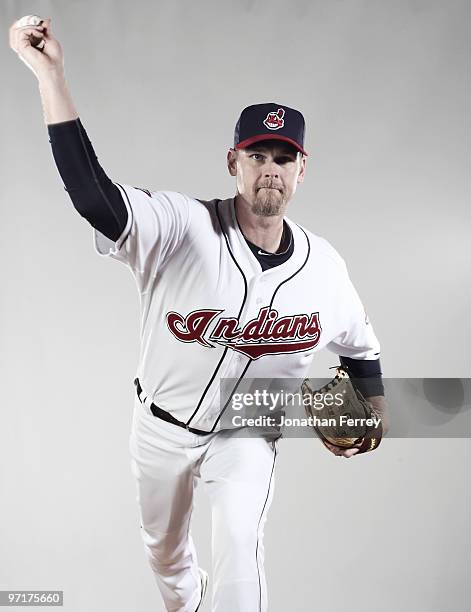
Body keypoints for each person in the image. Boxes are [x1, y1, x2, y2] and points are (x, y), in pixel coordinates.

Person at [9, 15, 389, 612]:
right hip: (159, 427)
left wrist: (377, 416)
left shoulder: (326, 269)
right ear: (232, 163)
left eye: (284, 158)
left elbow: (363, 352)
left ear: (301, 171)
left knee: (241, 542)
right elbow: (92, 196)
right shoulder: (183, 227)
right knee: (166, 555)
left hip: (246, 433)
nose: (271, 168)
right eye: (257, 154)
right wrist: (50, 75)